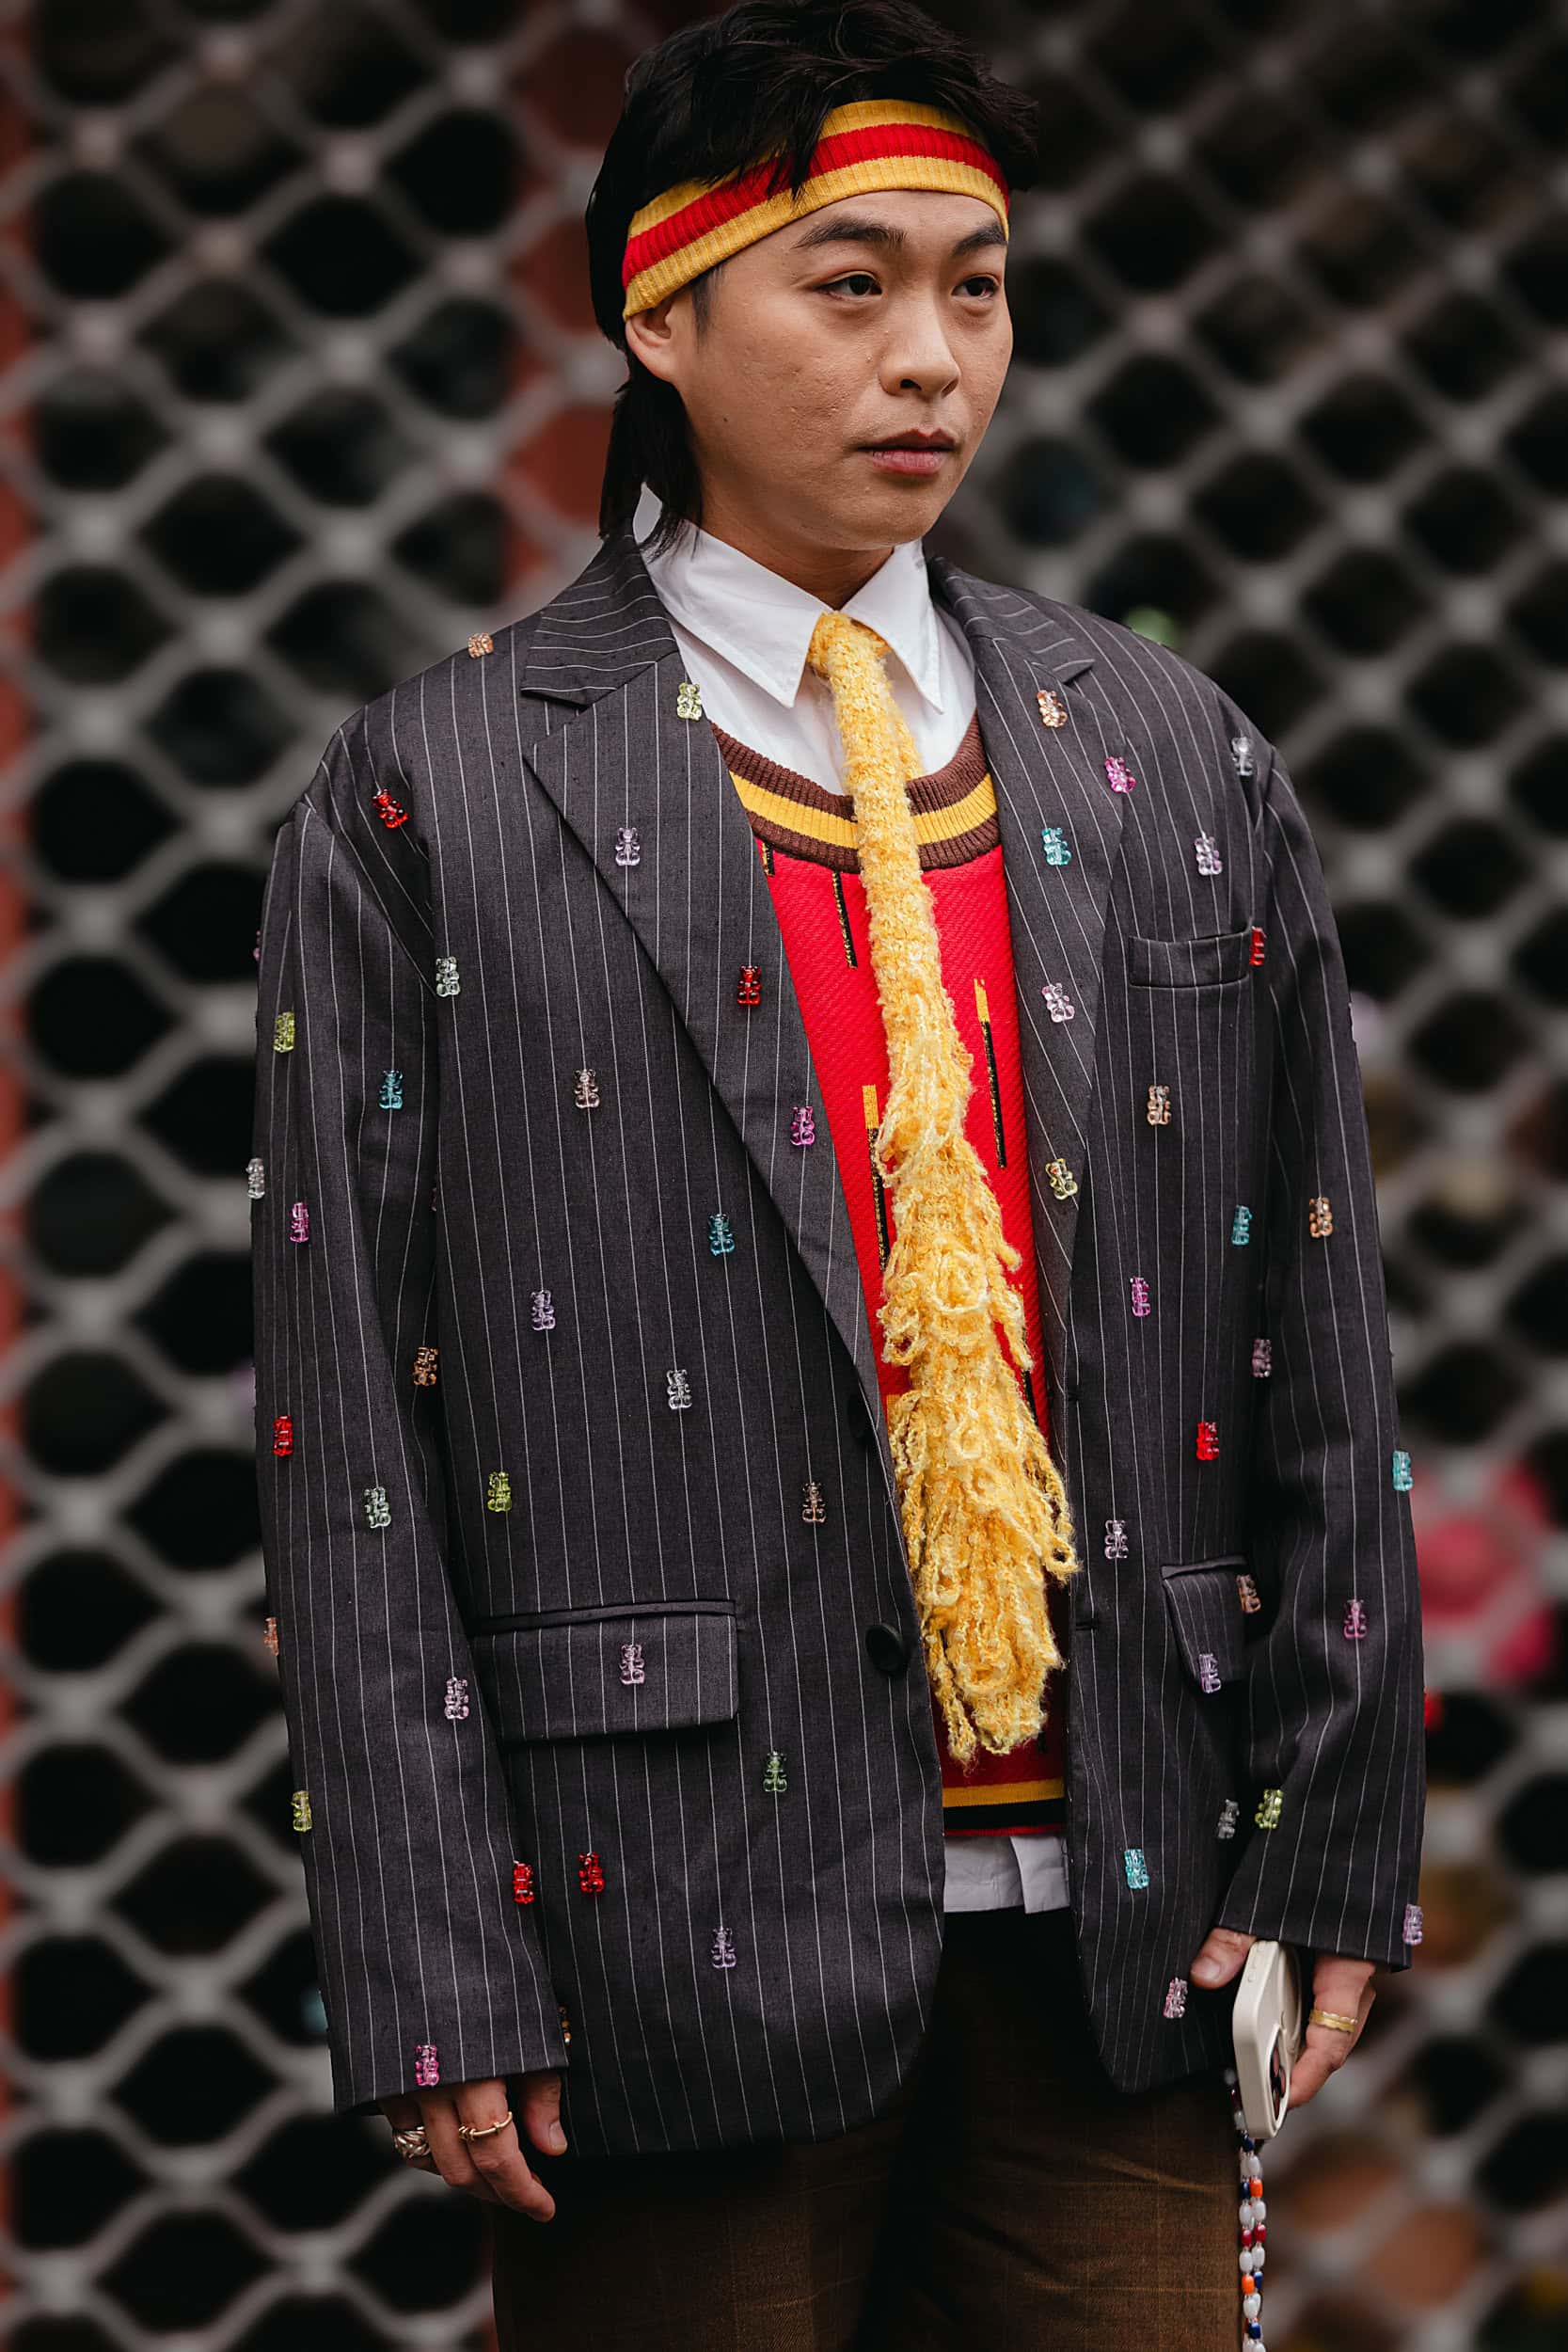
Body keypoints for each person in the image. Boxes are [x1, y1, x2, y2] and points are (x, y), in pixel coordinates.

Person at [248, 3, 1428, 2344]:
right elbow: (344, 1428)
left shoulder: (1170, 754)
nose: (931, 359)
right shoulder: (436, 792)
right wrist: (431, 1946)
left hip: (1130, 1909)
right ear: (660, 316)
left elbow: (1318, 1316)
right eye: (851, 284)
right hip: (654, 1919)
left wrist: (1332, 1822)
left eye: (977, 287)